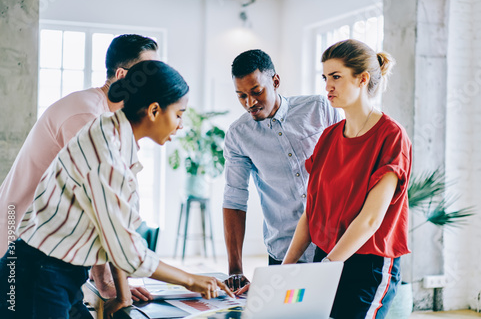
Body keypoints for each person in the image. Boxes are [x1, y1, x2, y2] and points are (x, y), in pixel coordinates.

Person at [0, 60, 234, 319]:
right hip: (37, 274)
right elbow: (128, 251)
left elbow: (113, 228)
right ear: (154, 111)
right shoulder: (107, 152)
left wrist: (123, 295)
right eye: (179, 114)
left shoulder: (115, 134)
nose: (181, 125)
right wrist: (191, 280)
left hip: (54, 273)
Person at [0, 34, 159, 304]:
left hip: (48, 248)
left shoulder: (107, 117)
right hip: (21, 244)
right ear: (122, 75)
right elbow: (97, 206)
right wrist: (108, 283)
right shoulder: (87, 115)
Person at [282, 39, 412, 319]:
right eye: (325, 77)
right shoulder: (328, 137)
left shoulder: (391, 136)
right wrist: (286, 267)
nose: (328, 85)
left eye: (336, 77)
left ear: (362, 79)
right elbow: (312, 211)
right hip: (326, 256)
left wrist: (328, 265)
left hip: (368, 265)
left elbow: (370, 220)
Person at [223, 49, 342, 293]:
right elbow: (235, 199)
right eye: (241, 96)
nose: (250, 103)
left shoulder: (319, 109)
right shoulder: (238, 135)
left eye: (257, 92)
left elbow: (345, 167)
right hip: (284, 250)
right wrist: (235, 268)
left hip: (333, 245)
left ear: (275, 81)